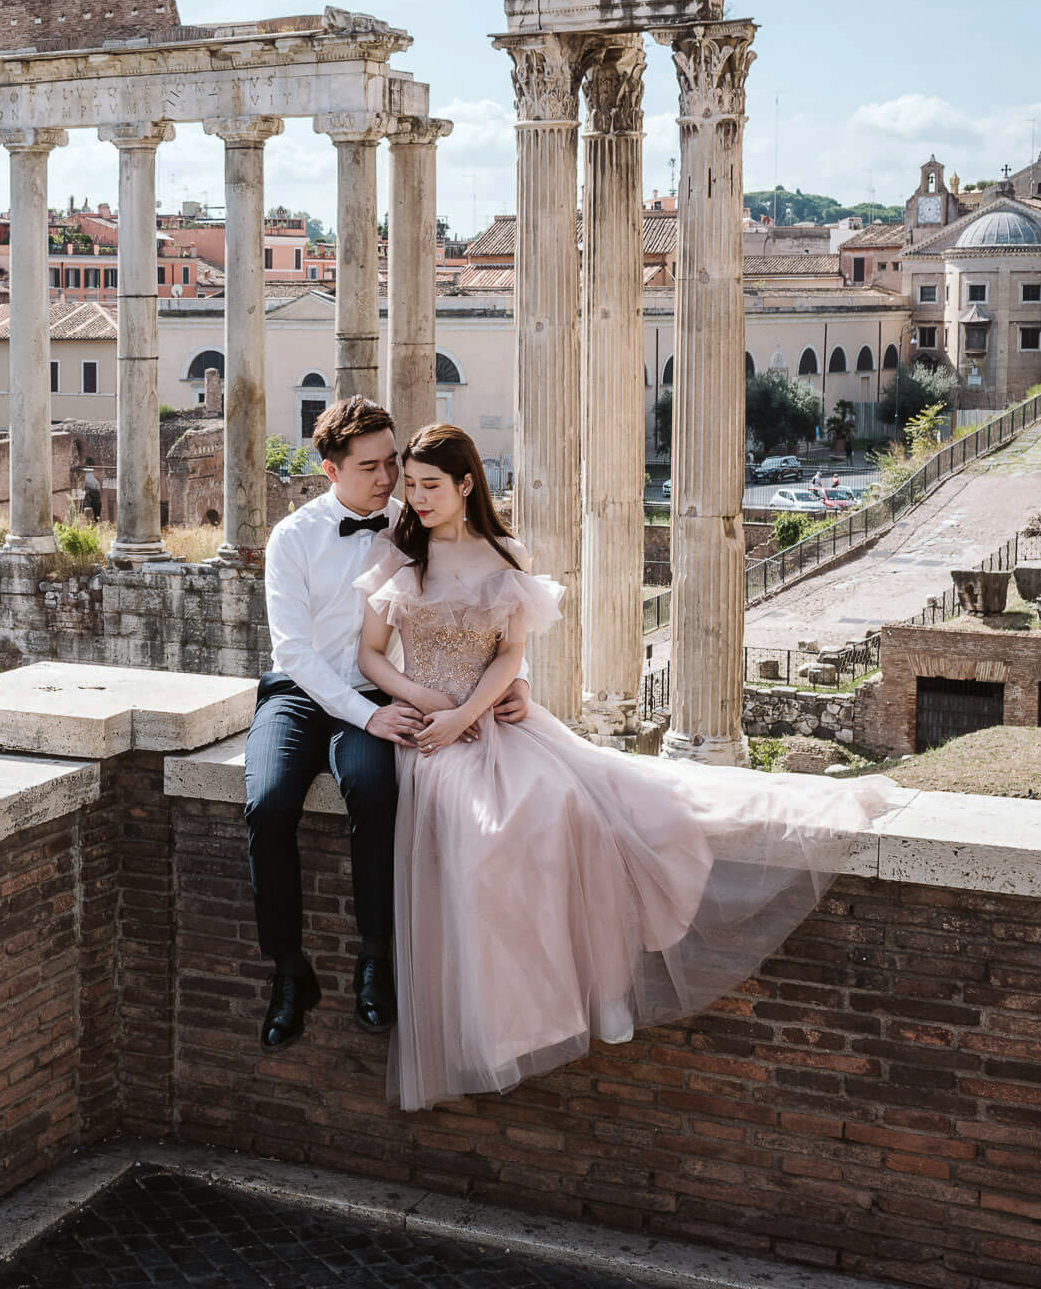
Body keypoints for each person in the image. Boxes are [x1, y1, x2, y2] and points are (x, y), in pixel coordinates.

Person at [354, 423, 900, 1110]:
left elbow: (509, 657)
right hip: (427, 736)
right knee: (488, 838)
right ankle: (507, 1023)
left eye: (430, 486)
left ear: (467, 485)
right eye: (411, 486)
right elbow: (372, 654)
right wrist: (422, 699)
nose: (417, 499)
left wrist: (473, 712)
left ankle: (598, 994)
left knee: (577, 809)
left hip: (493, 720)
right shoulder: (399, 557)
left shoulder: (504, 554)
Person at [247, 396, 530, 1054]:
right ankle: (288, 971)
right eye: (372, 467)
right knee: (267, 804)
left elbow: (485, 606)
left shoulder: (415, 522)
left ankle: (376, 960)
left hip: (382, 692)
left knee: (375, 793)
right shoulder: (292, 538)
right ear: (330, 470)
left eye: (392, 465)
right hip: (298, 695)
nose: (389, 481)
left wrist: (513, 683)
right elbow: (293, 653)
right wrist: (367, 714)